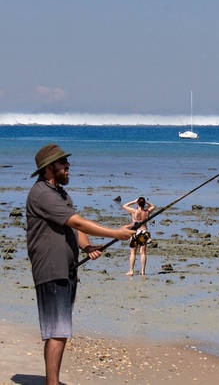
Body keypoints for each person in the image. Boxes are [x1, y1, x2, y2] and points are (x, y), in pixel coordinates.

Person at [26, 143, 135, 385]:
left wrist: (86, 247)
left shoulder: (60, 193)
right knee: (57, 331)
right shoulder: (42, 193)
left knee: (61, 330)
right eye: (62, 162)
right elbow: (78, 222)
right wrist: (115, 234)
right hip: (51, 269)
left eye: (66, 161)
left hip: (67, 269)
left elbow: (74, 227)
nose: (68, 166)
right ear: (48, 168)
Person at [122, 197, 155, 276]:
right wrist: (147, 202)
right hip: (144, 232)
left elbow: (124, 206)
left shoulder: (134, 211)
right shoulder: (147, 212)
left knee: (133, 253)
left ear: (137, 203)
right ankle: (143, 271)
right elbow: (153, 206)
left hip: (135, 232)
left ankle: (131, 271)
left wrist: (134, 201)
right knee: (143, 253)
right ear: (144, 204)